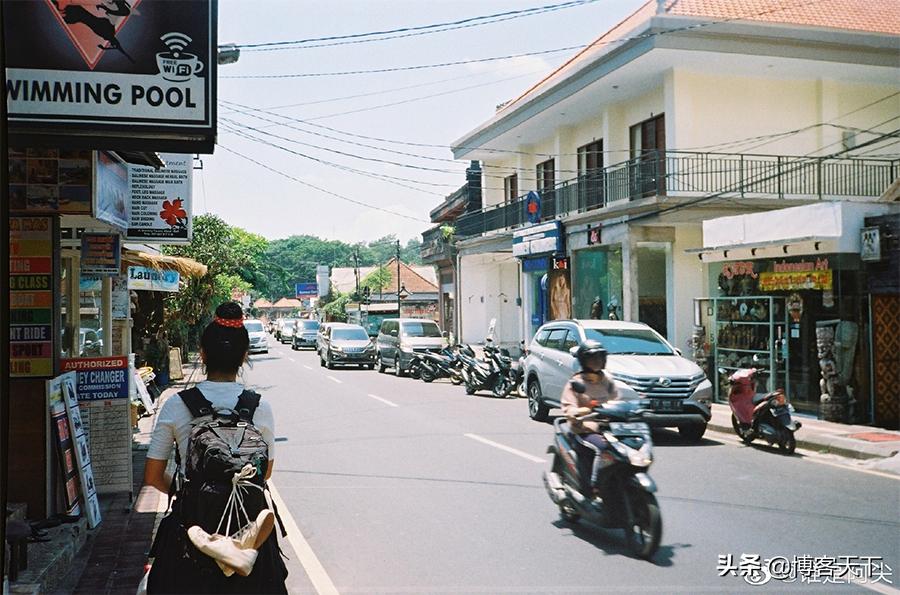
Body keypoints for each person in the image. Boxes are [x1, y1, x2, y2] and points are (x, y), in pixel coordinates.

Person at [144, 302, 286, 593]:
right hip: (250, 539)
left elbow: (153, 476)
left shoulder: (176, 405)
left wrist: (191, 494)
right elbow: (265, 472)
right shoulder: (259, 408)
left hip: (192, 535)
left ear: (203, 354)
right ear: (244, 356)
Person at [560, 341, 618, 503]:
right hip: (584, 430)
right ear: (584, 361)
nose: (597, 361)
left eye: (600, 357)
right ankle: (594, 488)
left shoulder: (607, 380)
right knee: (602, 448)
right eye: (592, 358)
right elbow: (569, 407)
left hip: (609, 428)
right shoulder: (576, 383)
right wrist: (580, 412)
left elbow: (617, 399)